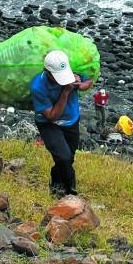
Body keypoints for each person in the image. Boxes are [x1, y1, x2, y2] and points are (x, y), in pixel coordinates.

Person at [30, 50, 93, 196]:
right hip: (49, 124)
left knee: (68, 158)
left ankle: (56, 182)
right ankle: (70, 192)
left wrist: (79, 85)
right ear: (47, 72)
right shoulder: (38, 87)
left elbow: (89, 80)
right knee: (63, 157)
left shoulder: (71, 70)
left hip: (71, 121)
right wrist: (66, 91)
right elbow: (51, 116)